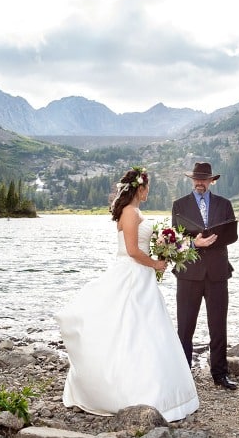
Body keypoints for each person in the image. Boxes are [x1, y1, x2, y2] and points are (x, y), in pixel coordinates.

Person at [55, 166, 200, 422]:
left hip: (140, 277)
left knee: (144, 329)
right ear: (140, 188)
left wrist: (165, 250)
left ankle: (156, 388)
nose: (148, 193)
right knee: (132, 330)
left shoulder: (134, 211)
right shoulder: (131, 212)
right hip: (132, 274)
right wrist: (155, 263)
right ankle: (133, 391)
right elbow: (132, 250)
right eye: (147, 189)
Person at [172, 162, 239, 390]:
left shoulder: (225, 204)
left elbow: (232, 236)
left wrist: (216, 239)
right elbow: (174, 243)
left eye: (204, 179)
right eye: (196, 179)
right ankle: (183, 374)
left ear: (212, 181)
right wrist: (194, 242)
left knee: (218, 326)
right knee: (185, 327)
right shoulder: (179, 205)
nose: (200, 183)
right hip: (188, 273)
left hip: (218, 273)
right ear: (191, 180)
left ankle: (220, 374)